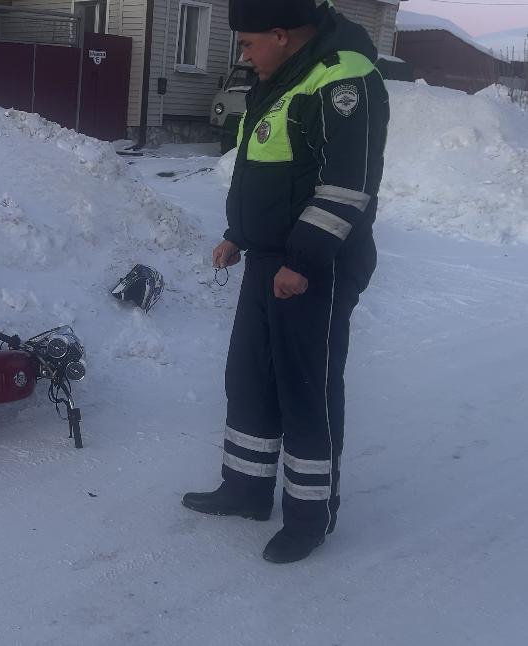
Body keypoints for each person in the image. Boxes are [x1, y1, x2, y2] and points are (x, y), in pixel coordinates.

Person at [182, 0, 389, 563]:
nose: (244, 55)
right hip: (269, 260)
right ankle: (246, 489)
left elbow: (348, 186)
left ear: (280, 34)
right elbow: (273, 171)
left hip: (314, 267)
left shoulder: (343, 81)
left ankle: (309, 516)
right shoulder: (284, 78)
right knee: (251, 376)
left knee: (306, 388)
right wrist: (238, 234)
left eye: (249, 44)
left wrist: (304, 260)